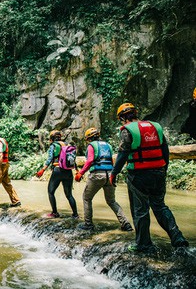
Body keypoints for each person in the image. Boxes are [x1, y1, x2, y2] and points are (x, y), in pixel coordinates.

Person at [110, 103, 189, 253]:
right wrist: (164, 169)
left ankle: (144, 245)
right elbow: (164, 149)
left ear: (122, 118)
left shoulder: (127, 130)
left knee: (140, 210)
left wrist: (114, 173)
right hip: (158, 172)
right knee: (160, 206)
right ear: (135, 113)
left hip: (138, 175)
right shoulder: (156, 126)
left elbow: (122, 154)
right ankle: (177, 238)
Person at [74, 128, 132, 231]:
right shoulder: (108, 145)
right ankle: (125, 223)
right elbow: (112, 160)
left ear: (89, 138)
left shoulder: (92, 145)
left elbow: (90, 160)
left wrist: (80, 173)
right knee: (111, 201)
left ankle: (88, 224)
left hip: (97, 175)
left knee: (87, 198)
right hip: (110, 175)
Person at [35, 130, 78, 218]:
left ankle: (54, 213)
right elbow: (73, 159)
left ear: (51, 138)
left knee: (50, 192)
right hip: (68, 171)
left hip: (58, 170)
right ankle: (75, 214)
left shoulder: (54, 145)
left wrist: (43, 170)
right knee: (69, 195)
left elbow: (50, 158)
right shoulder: (66, 145)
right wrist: (77, 171)